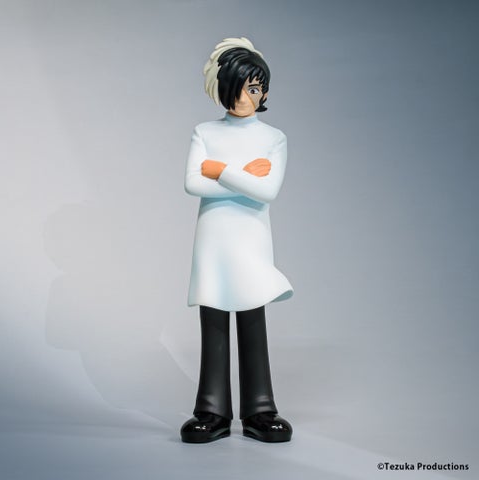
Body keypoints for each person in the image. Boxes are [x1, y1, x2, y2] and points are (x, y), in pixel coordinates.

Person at [180, 37, 294, 443]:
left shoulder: (273, 138)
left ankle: (260, 408)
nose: (247, 97)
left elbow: (267, 192)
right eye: (240, 87)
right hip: (213, 241)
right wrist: (245, 174)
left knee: (251, 316)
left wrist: (219, 170)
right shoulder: (204, 131)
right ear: (221, 88)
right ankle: (211, 410)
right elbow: (192, 183)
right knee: (213, 319)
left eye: (255, 88)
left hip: (250, 242)